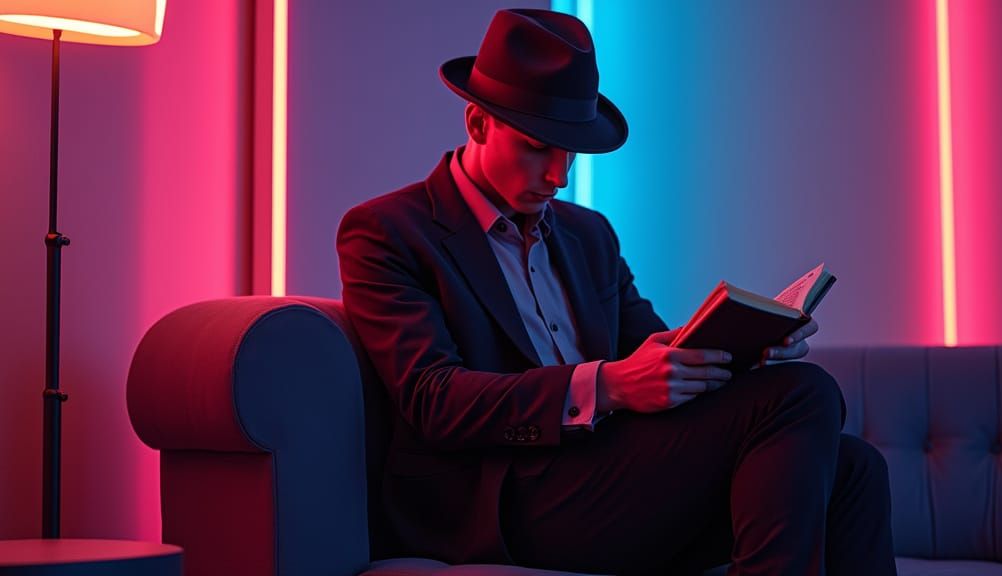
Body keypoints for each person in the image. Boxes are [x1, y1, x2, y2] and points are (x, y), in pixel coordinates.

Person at [337, 8, 896, 576]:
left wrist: (744, 351)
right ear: (477, 124)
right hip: (503, 494)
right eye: (537, 146)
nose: (559, 175)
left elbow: (648, 349)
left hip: (609, 472)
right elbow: (433, 400)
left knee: (855, 468)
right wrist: (603, 386)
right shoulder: (388, 231)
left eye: (571, 151)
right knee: (804, 393)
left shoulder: (588, 234)